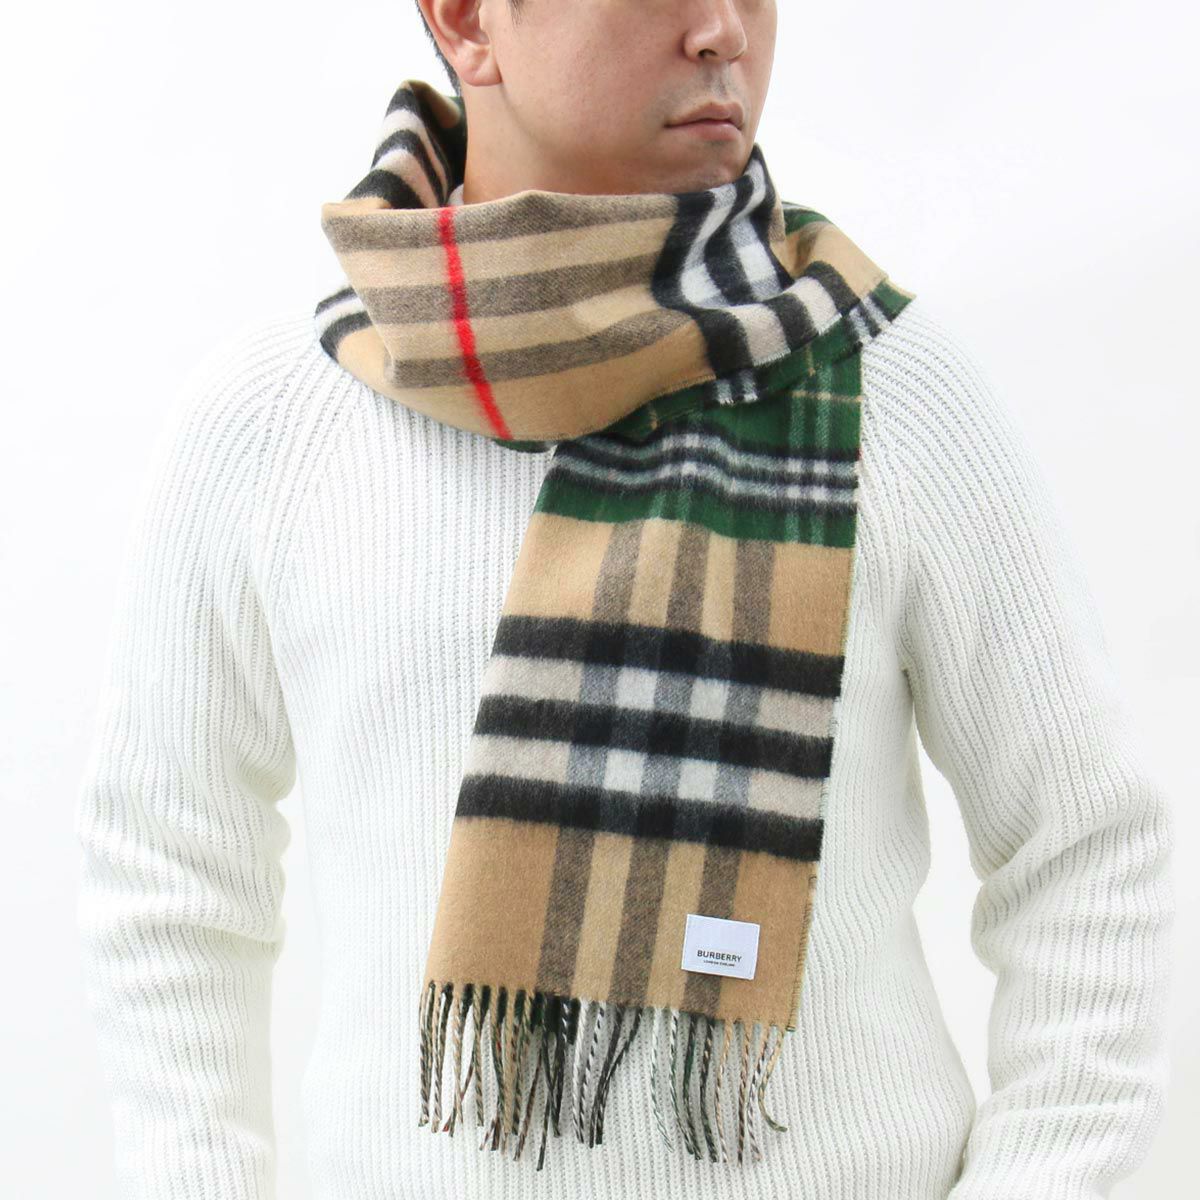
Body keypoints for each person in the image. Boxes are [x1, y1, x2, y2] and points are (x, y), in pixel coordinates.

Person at [73, 1, 1175, 1197]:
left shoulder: (886, 389)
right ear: (467, 21)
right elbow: (171, 870)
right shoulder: (270, 425)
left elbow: (1084, 849)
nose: (722, 31)